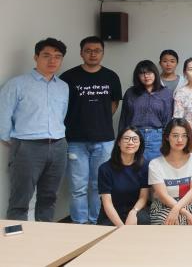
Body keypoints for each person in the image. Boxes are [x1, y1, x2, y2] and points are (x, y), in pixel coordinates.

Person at [0, 38, 68, 221]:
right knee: (20, 200)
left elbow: (61, 115)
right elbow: (3, 117)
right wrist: (16, 141)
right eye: (46, 55)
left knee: (49, 198)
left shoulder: (63, 87)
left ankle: (44, 236)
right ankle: (16, 237)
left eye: (57, 56)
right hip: (27, 147)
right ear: (36, 57)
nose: (52, 60)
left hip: (58, 146)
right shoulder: (17, 84)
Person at [60, 36, 122, 225]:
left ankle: (95, 222)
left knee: (98, 186)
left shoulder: (111, 76)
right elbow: (61, 106)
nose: (93, 54)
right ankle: (80, 223)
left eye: (97, 51)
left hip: (104, 140)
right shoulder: (68, 77)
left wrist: (99, 120)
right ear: (81, 53)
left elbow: (113, 105)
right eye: (88, 50)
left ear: (103, 53)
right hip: (76, 141)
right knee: (78, 187)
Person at [148, 118, 192, 225]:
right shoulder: (155, 164)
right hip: (163, 205)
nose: (180, 140)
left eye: (184, 136)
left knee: (190, 226)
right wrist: (181, 211)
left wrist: (178, 209)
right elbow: (162, 195)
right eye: (175, 135)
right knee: (173, 222)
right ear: (167, 137)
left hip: (188, 204)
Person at [119, 60, 173, 161]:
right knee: (134, 167)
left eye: (149, 72)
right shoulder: (130, 93)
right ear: (137, 76)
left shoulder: (166, 93)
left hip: (157, 137)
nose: (146, 76)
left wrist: (166, 141)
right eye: (142, 73)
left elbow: (168, 120)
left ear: (155, 73)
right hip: (134, 136)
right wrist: (121, 139)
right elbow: (124, 118)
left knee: (155, 167)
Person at [97, 126, 150, 226]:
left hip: (136, 211)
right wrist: (122, 227)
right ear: (118, 142)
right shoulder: (105, 169)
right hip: (112, 214)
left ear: (140, 143)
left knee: (143, 220)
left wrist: (133, 212)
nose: (130, 142)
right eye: (126, 138)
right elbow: (107, 203)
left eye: (134, 139)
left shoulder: (145, 166)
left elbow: (143, 197)